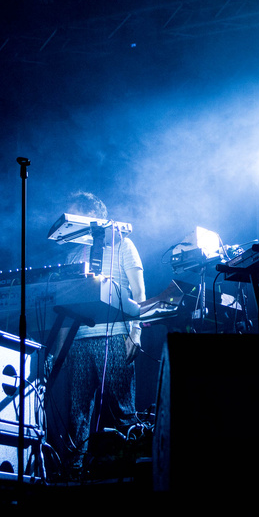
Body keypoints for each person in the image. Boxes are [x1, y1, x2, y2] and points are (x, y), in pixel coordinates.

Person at [60, 191, 146, 476]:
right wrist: (57, 349)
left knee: (123, 411)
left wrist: (136, 334)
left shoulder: (123, 243)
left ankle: (135, 472)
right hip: (80, 340)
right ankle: (72, 476)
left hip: (115, 335)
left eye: (76, 215)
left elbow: (139, 292)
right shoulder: (74, 251)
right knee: (77, 414)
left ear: (92, 216)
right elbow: (67, 303)